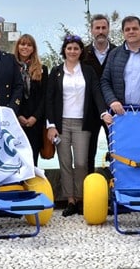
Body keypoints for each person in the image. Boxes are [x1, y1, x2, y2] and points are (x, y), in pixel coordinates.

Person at [45, 34, 105, 216]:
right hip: (61, 123)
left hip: (82, 122)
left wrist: (104, 112)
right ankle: (70, 200)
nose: (72, 51)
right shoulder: (56, 71)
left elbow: (96, 93)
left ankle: (81, 198)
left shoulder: (88, 71)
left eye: (76, 48)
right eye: (69, 48)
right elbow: (50, 100)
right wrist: (51, 125)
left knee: (80, 163)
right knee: (65, 162)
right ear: (64, 50)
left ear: (81, 51)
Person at [82, 14, 117, 172]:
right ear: (91, 30)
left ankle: (117, 183)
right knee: (88, 151)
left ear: (108, 29)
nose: (101, 31)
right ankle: (89, 185)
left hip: (113, 109)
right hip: (89, 109)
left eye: (104, 28)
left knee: (116, 148)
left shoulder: (118, 52)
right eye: (97, 28)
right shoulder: (83, 53)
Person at [14, 34, 46, 164]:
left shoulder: (42, 69)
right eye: (22, 44)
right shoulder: (10, 67)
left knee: (32, 160)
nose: (25, 47)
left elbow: (45, 97)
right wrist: (18, 115)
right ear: (17, 47)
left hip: (35, 122)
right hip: (16, 120)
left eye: (28, 45)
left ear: (33, 48)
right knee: (16, 159)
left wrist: (35, 117)